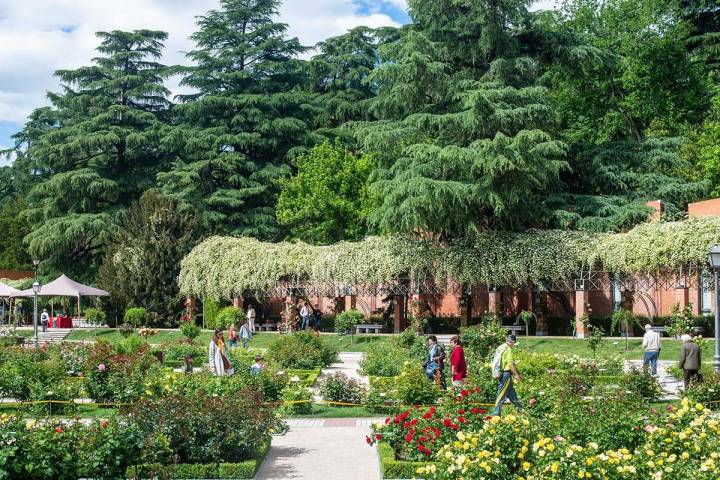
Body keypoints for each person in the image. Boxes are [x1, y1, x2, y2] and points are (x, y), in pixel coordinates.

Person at [491, 334, 522, 416]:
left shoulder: (501, 347)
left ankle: (520, 409)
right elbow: (510, 364)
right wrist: (517, 375)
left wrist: (517, 372)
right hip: (506, 374)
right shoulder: (508, 349)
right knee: (501, 394)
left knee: (512, 394)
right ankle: (496, 414)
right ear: (512, 342)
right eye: (514, 343)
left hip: (499, 372)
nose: (514, 345)